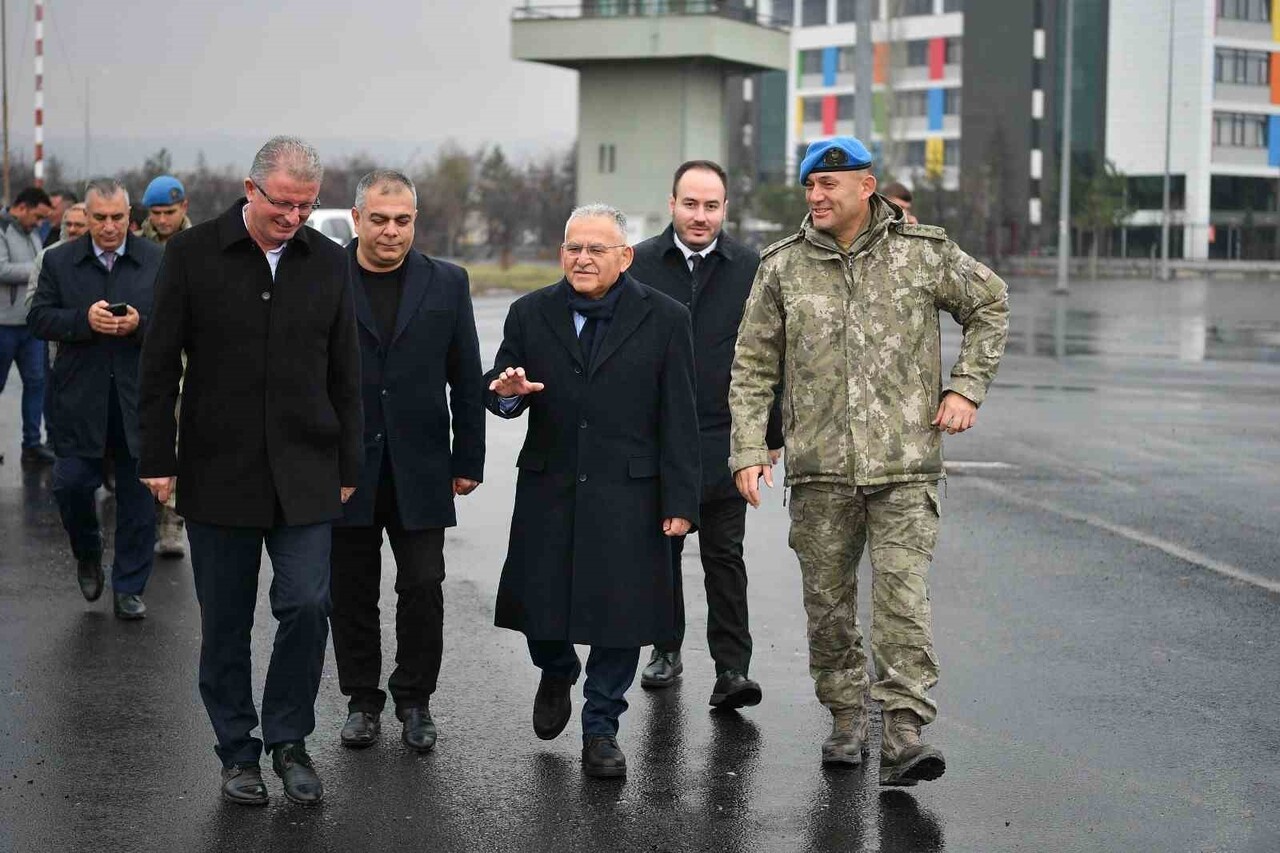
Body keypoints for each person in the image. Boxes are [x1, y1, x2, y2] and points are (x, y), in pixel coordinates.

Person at [728, 137, 1009, 785]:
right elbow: (751, 365)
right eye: (810, 187)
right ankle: (846, 715)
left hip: (906, 465)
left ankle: (905, 729)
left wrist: (966, 386)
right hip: (820, 469)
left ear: (867, 186)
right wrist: (747, 447)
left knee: (901, 600)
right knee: (827, 604)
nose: (816, 197)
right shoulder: (782, 267)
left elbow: (989, 304)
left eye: (830, 185)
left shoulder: (922, 255)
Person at [137, 136, 362, 807]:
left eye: (306, 205)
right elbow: (157, 364)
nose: (293, 217)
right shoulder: (193, 253)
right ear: (250, 188)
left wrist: (349, 461)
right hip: (219, 468)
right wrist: (156, 457)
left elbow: (345, 368)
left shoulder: (327, 263)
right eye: (282, 203)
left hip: (307, 466)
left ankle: (289, 739)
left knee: (307, 602)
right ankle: (237, 750)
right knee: (226, 622)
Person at [484, 204, 700, 779]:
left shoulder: (666, 318)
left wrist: (682, 502)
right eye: (573, 247)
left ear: (624, 257)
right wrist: (507, 391)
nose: (582, 258)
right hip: (549, 486)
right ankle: (556, 668)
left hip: (631, 492)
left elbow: (680, 415)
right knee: (541, 612)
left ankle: (601, 728)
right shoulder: (530, 313)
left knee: (621, 617)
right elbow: (503, 388)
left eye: (596, 249)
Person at [331, 170, 485, 753]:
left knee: (423, 584)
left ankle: (415, 699)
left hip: (422, 464)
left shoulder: (447, 282)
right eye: (379, 219)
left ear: (414, 221)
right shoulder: (326, 278)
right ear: (357, 219)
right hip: (345, 466)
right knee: (351, 587)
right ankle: (361, 700)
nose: (391, 231)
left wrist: (468, 455)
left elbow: (465, 378)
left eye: (402, 220)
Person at [628, 160, 781, 708]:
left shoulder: (751, 266)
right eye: (690, 204)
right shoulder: (639, 263)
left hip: (725, 436)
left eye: (711, 206)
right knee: (663, 551)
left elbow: (772, 353)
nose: (700, 216)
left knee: (725, 554)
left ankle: (733, 669)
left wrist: (770, 433)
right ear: (671, 204)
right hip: (656, 438)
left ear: (725, 209)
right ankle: (665, 650)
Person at [27, 179, 163, 618]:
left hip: (135, 399)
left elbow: (178, 322)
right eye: (99, 218)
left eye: (117, 218)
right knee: (70, 486)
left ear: (130, 217)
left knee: (139, 500)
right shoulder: (60, 261)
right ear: (85, 217)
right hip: (78, 399)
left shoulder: (156, 261)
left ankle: (128, 587)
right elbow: (39, 318)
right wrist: (84, 321)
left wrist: (140, 325)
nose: (109, 227)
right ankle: (88, 550)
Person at [137, 175, 193, 559]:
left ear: (183, 208)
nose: (162, 219)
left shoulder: (199, 246)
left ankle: (172, 521)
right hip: (139, 348)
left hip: (188, 356)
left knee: (181, 436)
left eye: (168, 212)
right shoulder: (135, 246)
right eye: (155, 213)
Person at [0, 187, 55, 464]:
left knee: (36, 384)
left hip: (30, 326)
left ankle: (32, 445)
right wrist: (38, 269)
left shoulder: (32, 233)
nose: (40, 223)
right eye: (38, 216)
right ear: (22, 207)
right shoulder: (2, 231)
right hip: (3, 324)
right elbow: (2, 269)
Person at [139, 175, 192, 244]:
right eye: (156, 213)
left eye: (170, 212)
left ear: (184, 207)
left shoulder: (200, 242)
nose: (162, 220)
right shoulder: (131, 244)